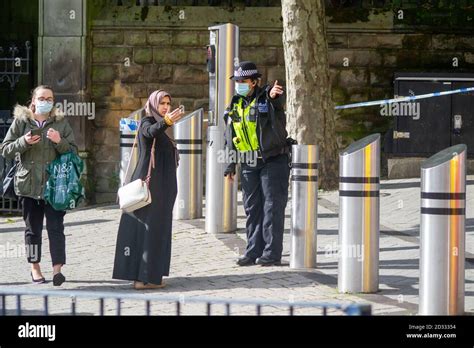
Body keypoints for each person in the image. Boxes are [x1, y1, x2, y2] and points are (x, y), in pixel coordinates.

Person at [0, 85, 78, 286]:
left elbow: (73, 152)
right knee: (32, 230)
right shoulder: (21, 122)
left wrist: (59, 141)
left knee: (56, 228)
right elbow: (5, 149)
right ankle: (34, 268)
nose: (46, 101)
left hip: (55, 186)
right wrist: (24, 142)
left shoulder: (61, 123)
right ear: (33, 101)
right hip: (29, 185)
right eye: (42, 98)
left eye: (50, 98)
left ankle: (57, 270)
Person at [112, 90, 184, 290]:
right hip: (151, 187)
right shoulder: (147, 121)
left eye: (168, 103)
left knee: (156, 231)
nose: (166, 107)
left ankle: (151, 276)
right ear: (152, 104)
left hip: (162, 188)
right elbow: (149, 132)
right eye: (162, 103)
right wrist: (166, 122)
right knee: (147, 230)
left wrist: (166, 123)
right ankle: (142, 278)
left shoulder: (163, 126)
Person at [223, 61, 290, 267]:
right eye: (237, 81)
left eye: (243, 81)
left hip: (272, 160)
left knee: (272, 208)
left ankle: (271, 253)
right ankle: (253, 251)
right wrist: (230, 165)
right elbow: (230, 137)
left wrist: (273, 97)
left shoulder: (266, 97)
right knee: (253, 209)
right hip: (248, 163)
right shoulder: (235, 104)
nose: (239, 84)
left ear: (254, 82)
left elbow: (276, 100)